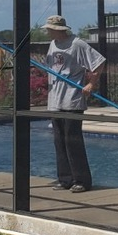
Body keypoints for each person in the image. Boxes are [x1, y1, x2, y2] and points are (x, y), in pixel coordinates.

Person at [44, 15, 105, 194]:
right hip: (55, 101)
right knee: (59, 141)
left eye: (49, 28)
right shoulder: (52, 44)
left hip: (72, 100)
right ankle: (65, 179)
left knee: (73, 142)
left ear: (58, 29)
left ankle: (82, 181)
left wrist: (91, 84)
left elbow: (99, 62)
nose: (47, 31)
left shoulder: (77, 44)